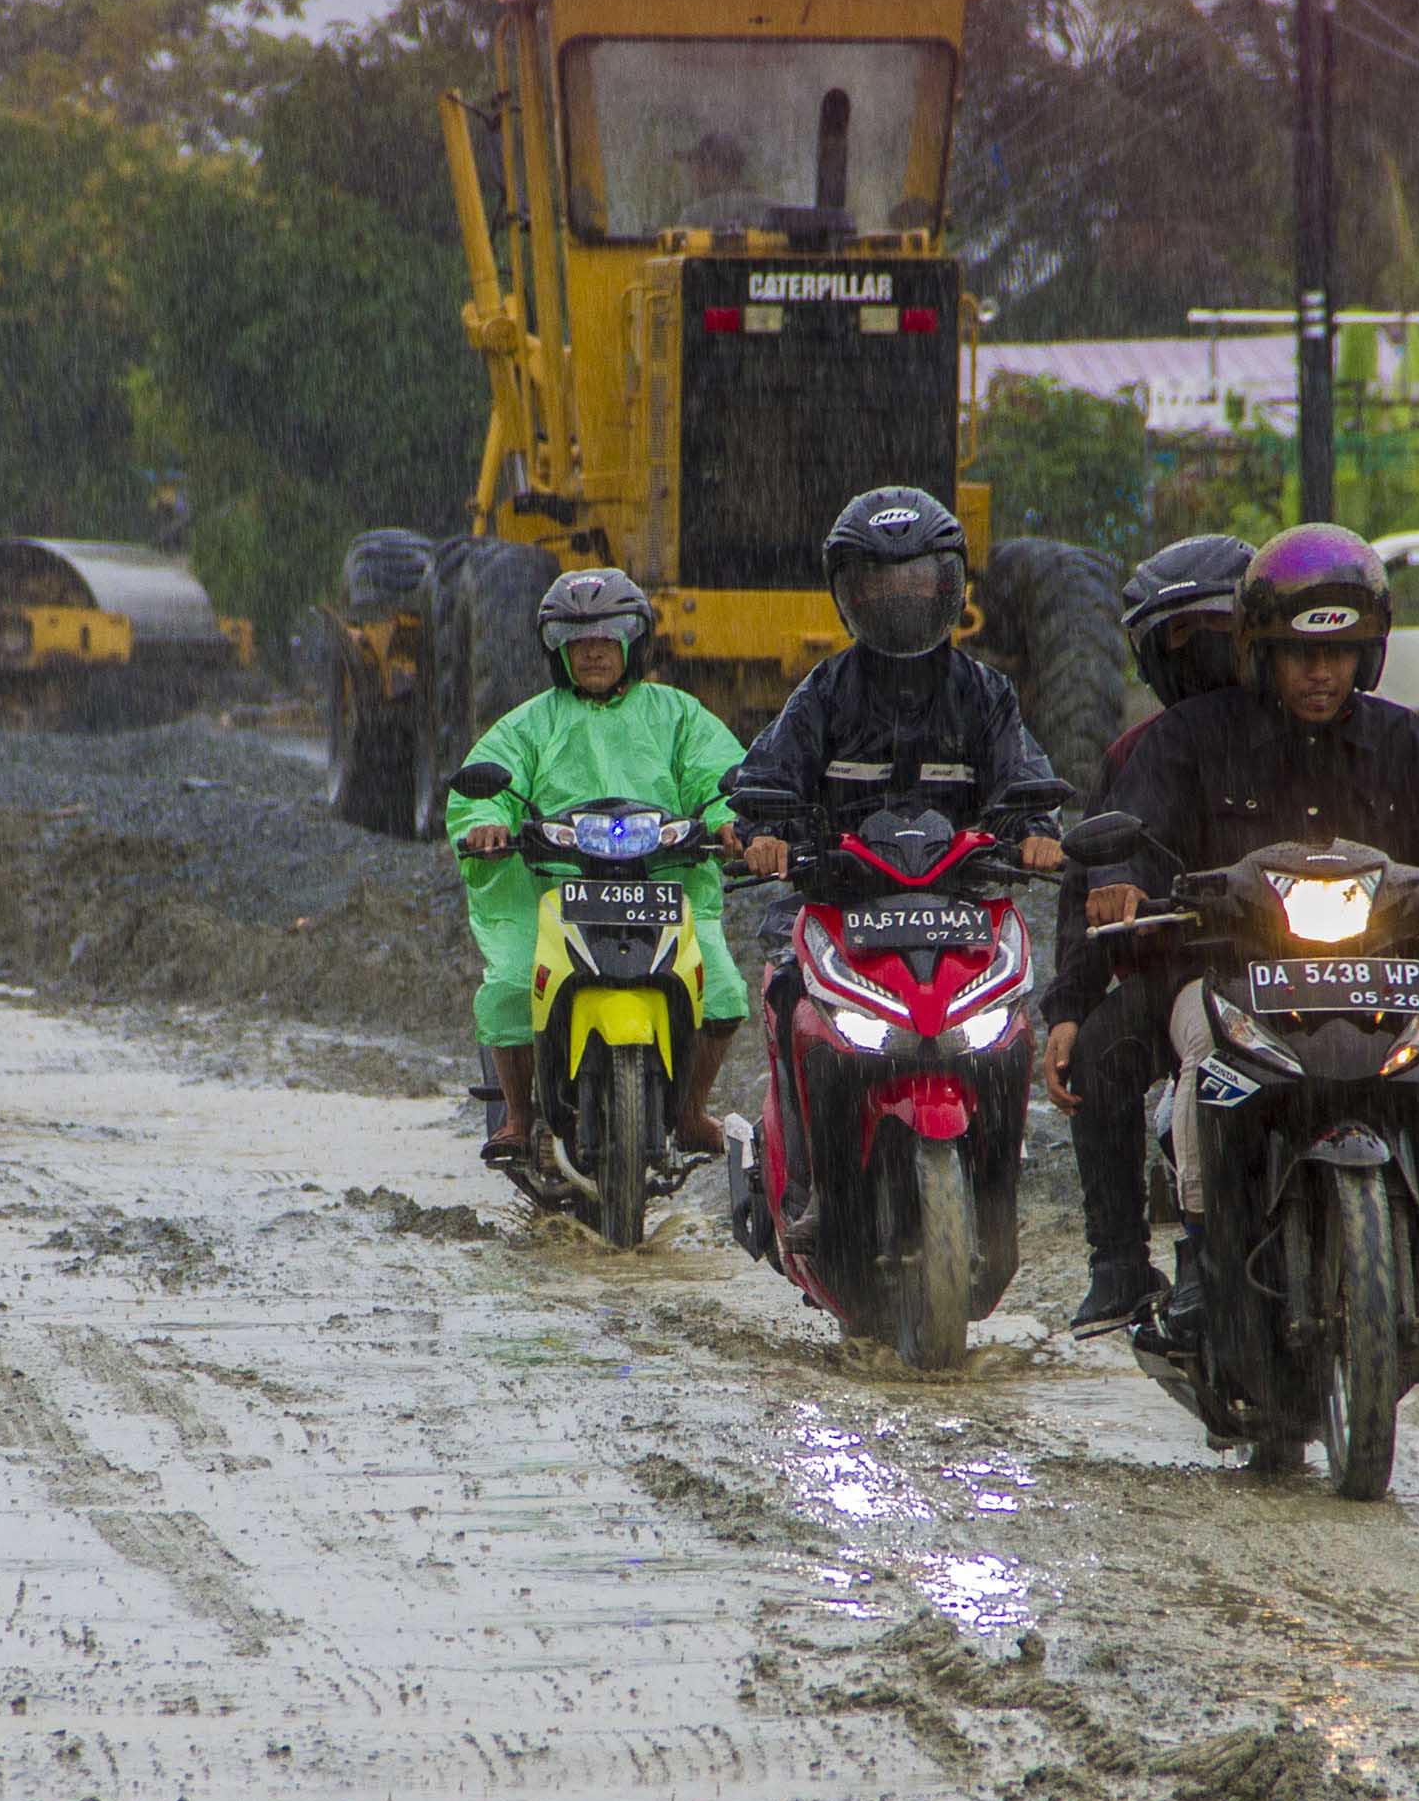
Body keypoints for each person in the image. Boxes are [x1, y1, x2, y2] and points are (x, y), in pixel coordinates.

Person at [1085, 523, 1419, 1352]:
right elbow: (1129, 831)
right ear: (1261, 652)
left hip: (1385, 981)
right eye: (1299, 654)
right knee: (1141, 1053)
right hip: (1225, 973)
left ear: (1368, 654)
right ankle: (1190, 1265)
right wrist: (1116, 884)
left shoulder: (1408, 742)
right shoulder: (1189, 739)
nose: (1319, 672)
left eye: (1338, 654)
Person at [726, 486, 1069, 1242]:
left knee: (1008, 1022)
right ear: (848, 593)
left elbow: (1026, 779)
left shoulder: (986, 695)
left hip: (963, 906)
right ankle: (806, 1186)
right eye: (881, 582)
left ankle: (999, 1181)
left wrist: (1038, 832)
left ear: (949, 585)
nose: (901, 597)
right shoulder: (822, 693)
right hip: (834, 904)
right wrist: (764, 833)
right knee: (787, 995)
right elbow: (762, 781)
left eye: (917, 579)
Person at [450, 568, 749, 1161]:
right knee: (513, 983)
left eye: (606, 637)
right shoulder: (531, 722)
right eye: (577, 639)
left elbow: (722, 775)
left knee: (721, 988)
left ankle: (688, 1113)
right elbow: (482, 786)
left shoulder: (678, 715)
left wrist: (728, 820)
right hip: (555, 893)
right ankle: (518, 1115)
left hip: (665, 890)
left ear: (633, 643)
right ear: (556, 649)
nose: (591, 652)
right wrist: (484, 823)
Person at [1039, 534, 1251, 1333]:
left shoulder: (1324, 729)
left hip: (1318, 964)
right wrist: (1066, 1004)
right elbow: (1089, 871)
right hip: (1186, 975)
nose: (1206, 657)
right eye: (1183, 640)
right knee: (1095, 1051)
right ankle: (1122, 1263)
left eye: (1223, 633)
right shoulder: (1138, 750)